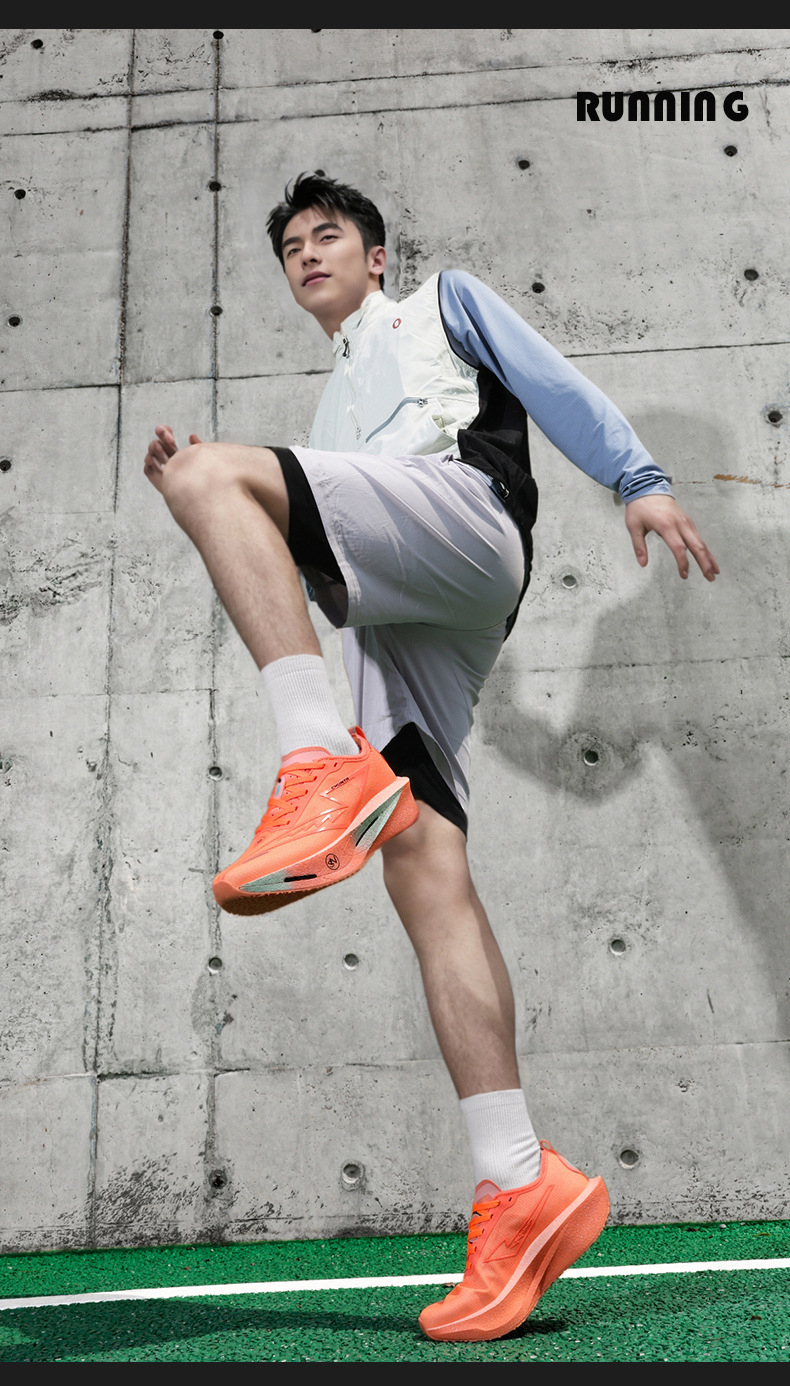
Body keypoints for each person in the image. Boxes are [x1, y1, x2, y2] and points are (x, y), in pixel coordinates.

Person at [143, 171, 718, 1343]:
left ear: (373, 256)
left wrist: (639, 480)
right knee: (421, 863)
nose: (308, 254)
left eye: (328, 236)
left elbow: (546, 382)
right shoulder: (327, 414)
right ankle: (519, 1182)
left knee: (209, 474)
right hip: (404, 616)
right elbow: (331, 564)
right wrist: (238, 508)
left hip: (468, 518)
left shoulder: (441, 303)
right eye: (291, 248)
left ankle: (315, 762)